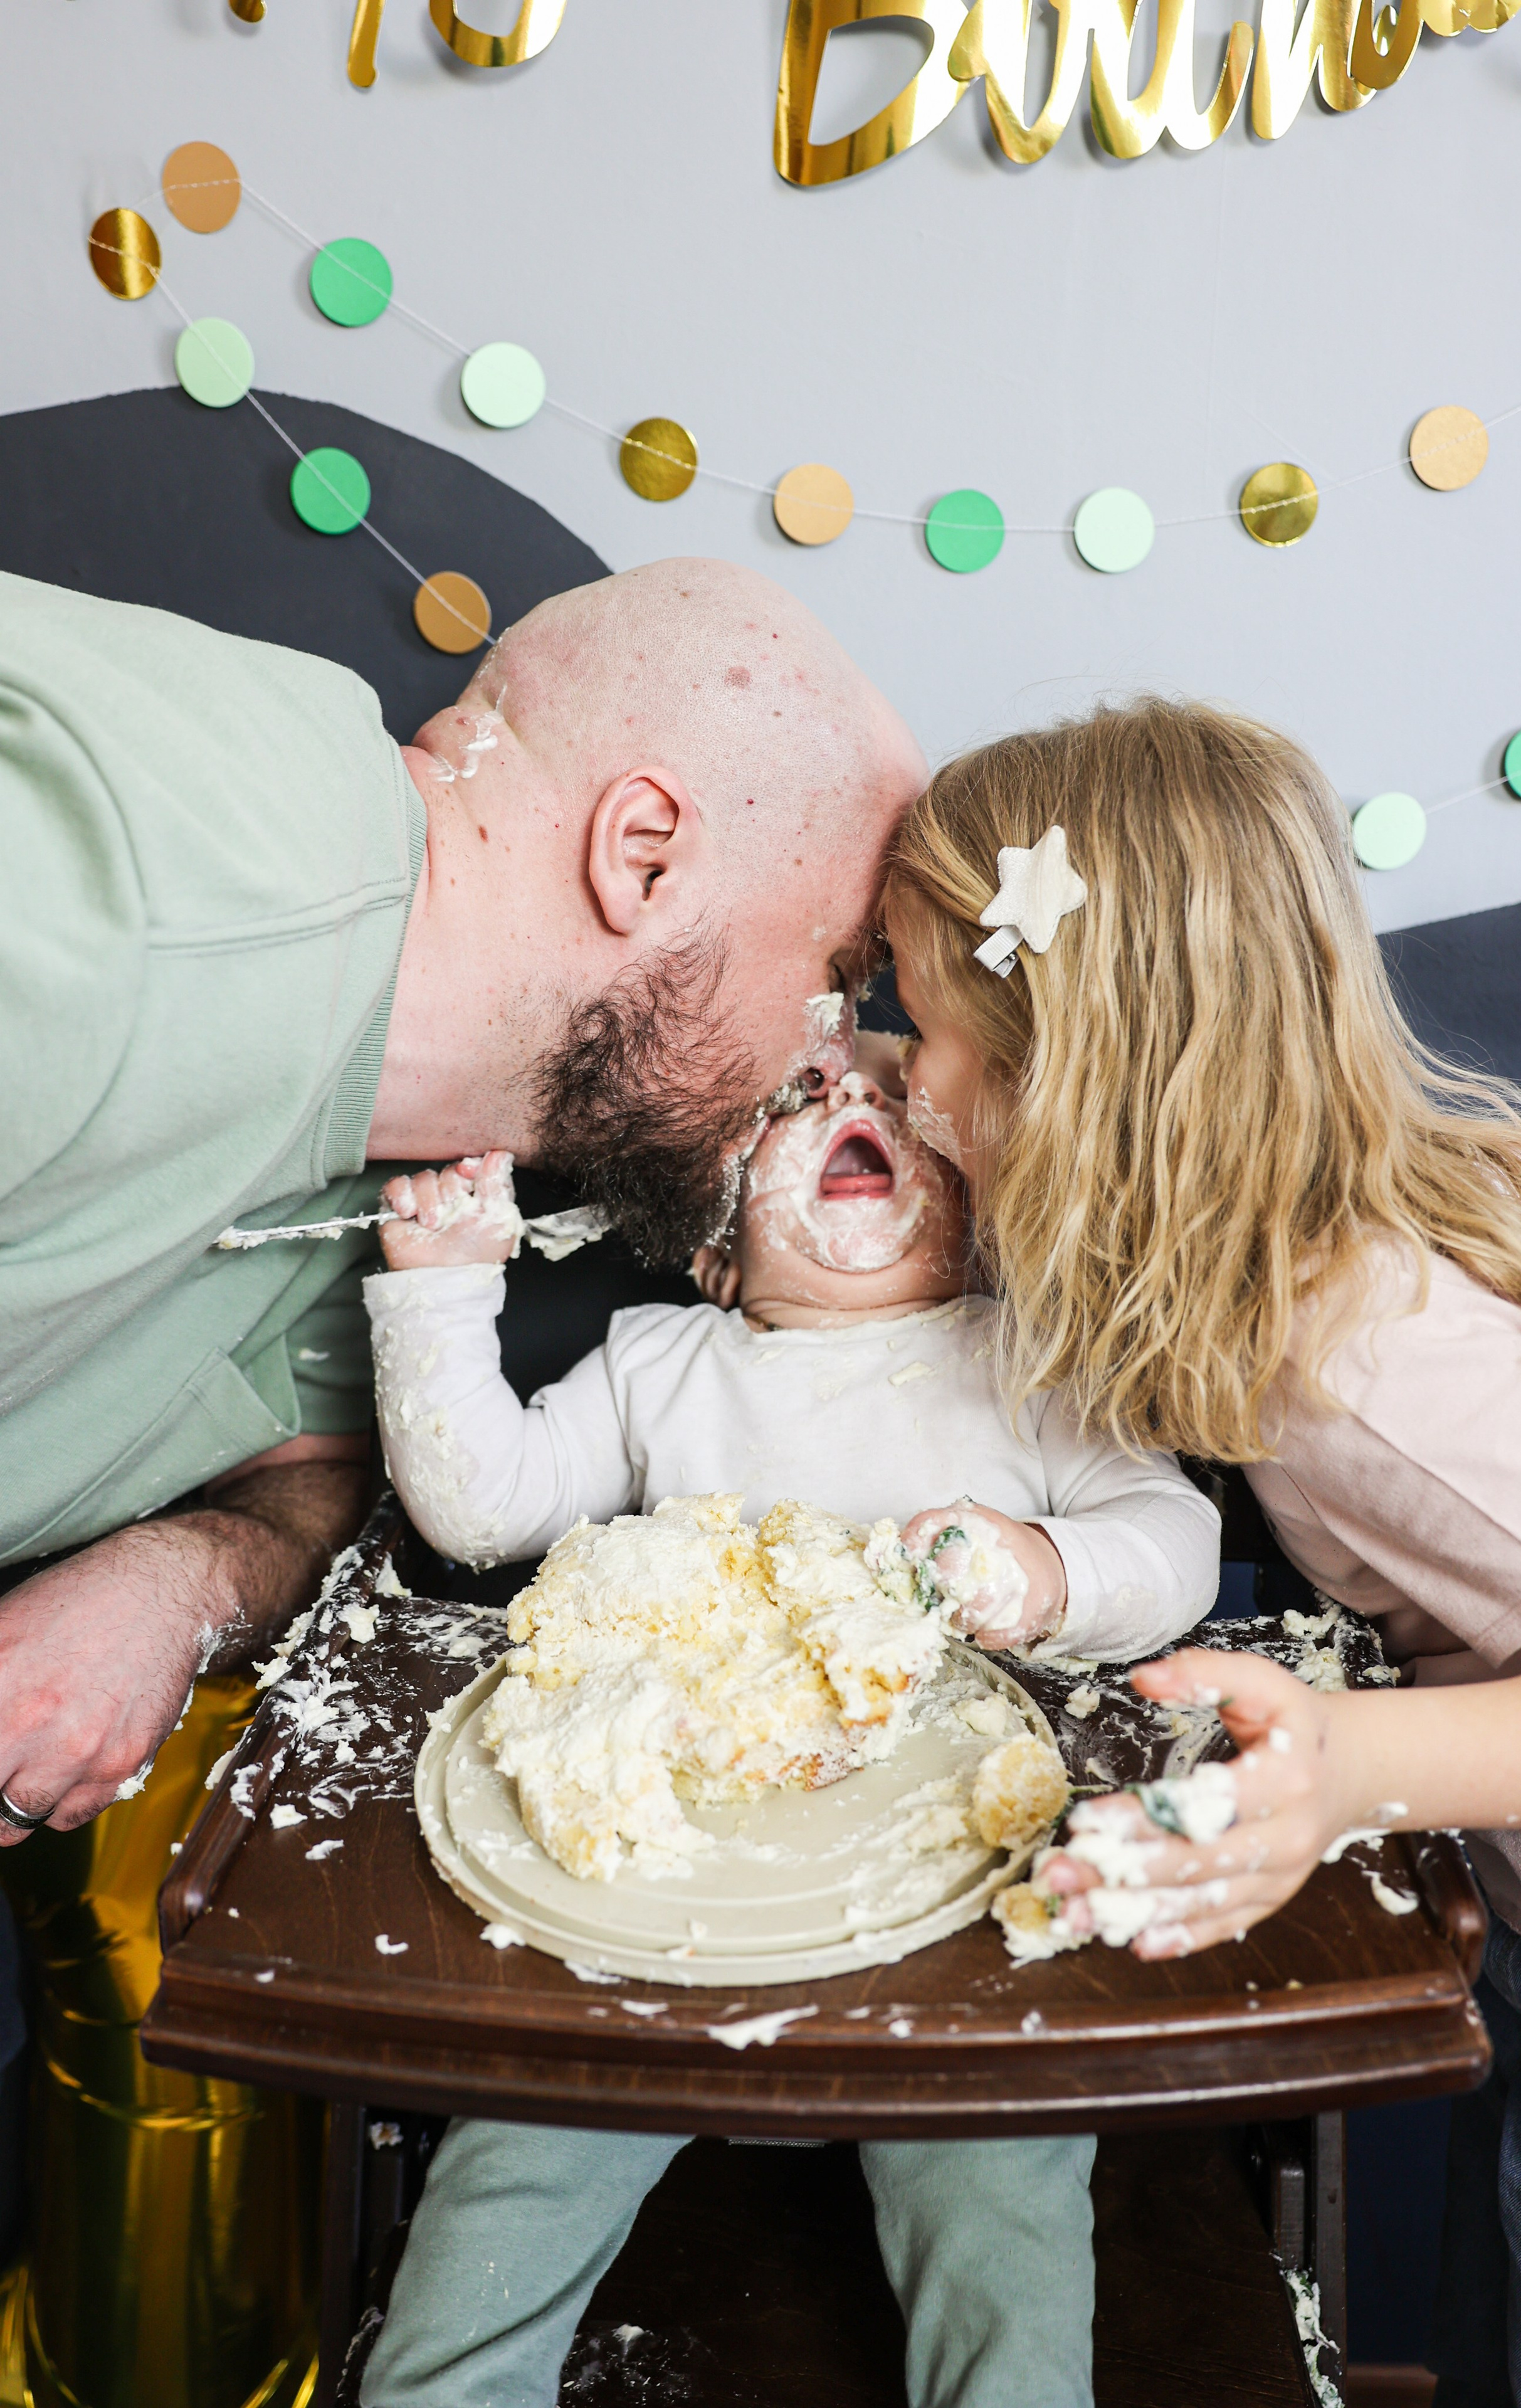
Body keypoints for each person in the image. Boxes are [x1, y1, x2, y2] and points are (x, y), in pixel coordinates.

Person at [0, 556, 925, 2408]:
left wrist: (170, 1577)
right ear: (644, 856)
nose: (832, 1061)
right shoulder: (114, 905)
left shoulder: (418, 1153)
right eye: (830, 975)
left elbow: (321, 1464)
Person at [878, 698, 1521, 2408]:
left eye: (922, 1033)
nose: (907, 1081)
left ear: (1075, 1079)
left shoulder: (1357, 1372)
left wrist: (1351, 1765)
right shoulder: (1418, 1191)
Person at [353, 1065, 1219, 2408]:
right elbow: (483, 1511)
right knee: (516, 2153)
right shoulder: (658, 1362)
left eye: (880, 1081)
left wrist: (1042, 1572)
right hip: (653, 1893)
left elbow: (1177, 1546)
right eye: (793, 1093)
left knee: (1006, 2190)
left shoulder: (1024, 1363)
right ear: (713, 1249)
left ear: (984, 1213)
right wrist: (441, 1289)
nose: (839, 1088)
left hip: (947, 1903)